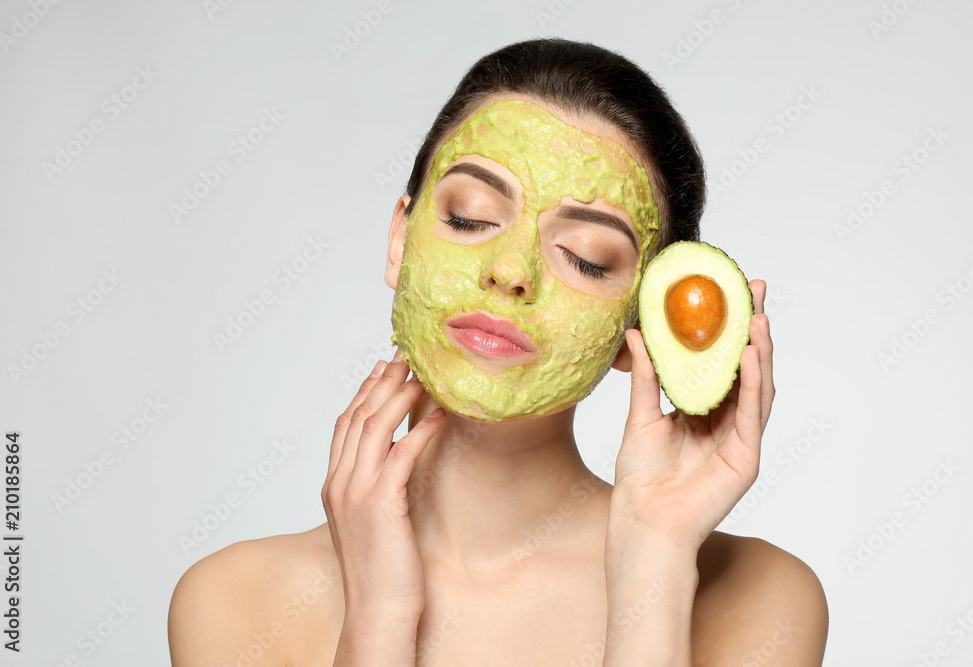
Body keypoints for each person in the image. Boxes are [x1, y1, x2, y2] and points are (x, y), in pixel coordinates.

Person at [168, 38, 828, 666]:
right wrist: (380, 615)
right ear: (400, 238)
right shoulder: (236, 601)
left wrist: (654, 556)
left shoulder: (762, 598)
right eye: (471, 216)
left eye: (586, 259)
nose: (512, 271)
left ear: (645, 325)